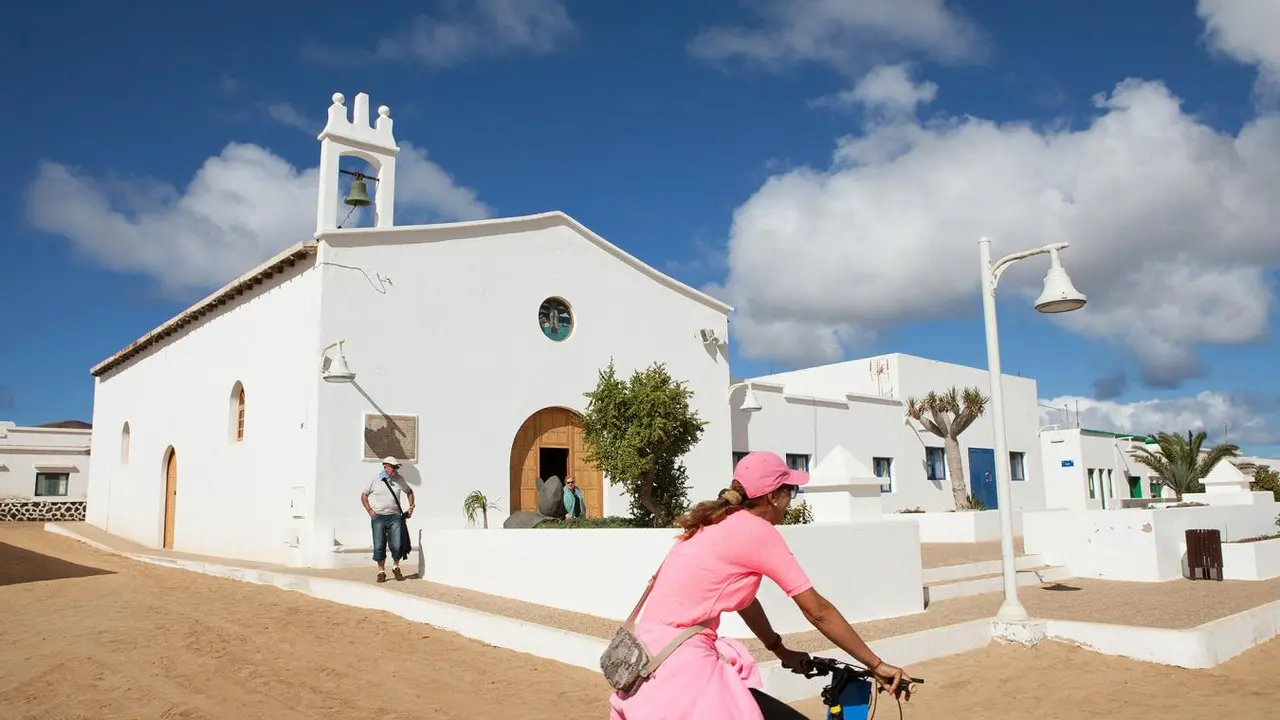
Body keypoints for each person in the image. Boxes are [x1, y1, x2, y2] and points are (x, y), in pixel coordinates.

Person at [607, 451, 913, 720]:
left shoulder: (715, 523)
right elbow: (817, 611)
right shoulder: (757, 531)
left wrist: (779, 649)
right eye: (791, 490)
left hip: (646, 663)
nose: (791, 500)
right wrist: (875, 664)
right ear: (773, 496)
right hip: (682, 671)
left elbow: (744, 602)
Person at [360, 456, 414, 583]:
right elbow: (364, 495)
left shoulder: (399, 479)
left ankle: (396, 567)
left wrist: (411, 507)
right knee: (379, 545)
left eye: (396, 468)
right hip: (378, 517)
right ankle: (381, 572)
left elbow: (409, 491)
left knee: (397, 544)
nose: (395, 470)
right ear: (385, 467)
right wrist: (370, 510)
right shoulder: (375, 480)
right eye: (393, 468)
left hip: (395, 517)